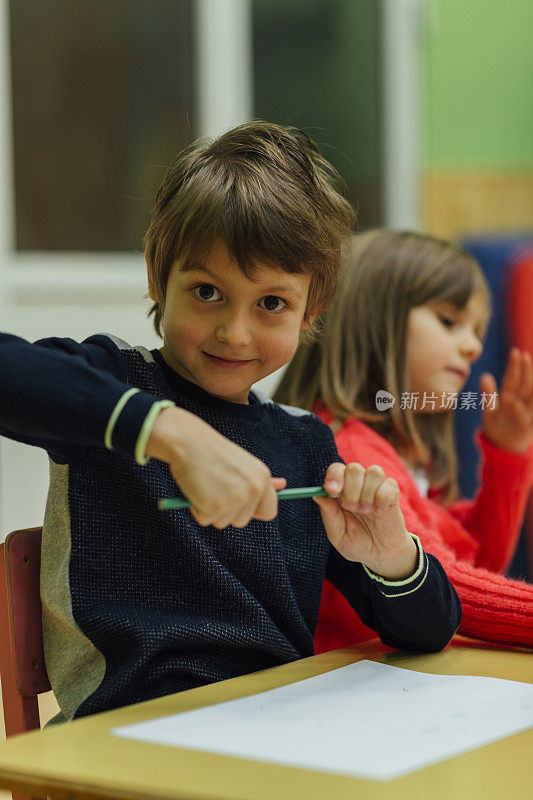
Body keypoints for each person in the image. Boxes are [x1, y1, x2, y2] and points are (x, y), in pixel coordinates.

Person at [0, 126, 461, 724]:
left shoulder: (304, 441)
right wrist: (166, 430)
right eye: (207, 291)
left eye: (271, 303)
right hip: (131, 740)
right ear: (156, 277)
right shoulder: (113, 381)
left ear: (311, 310)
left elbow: (428, 633)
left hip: (278, 730)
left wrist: (392, 556)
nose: (235, 333)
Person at [274, 229, 533, 651]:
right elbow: (448, 588)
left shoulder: (395, 448)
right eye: (450, 321)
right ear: (375, 320)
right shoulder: (350, 452)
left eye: (477, 331)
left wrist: (508, 456)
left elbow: (472, 569)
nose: (472, 346)